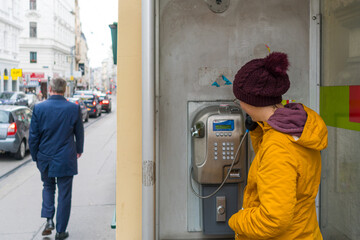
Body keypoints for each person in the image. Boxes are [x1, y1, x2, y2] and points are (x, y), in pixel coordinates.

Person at [229, 52, 328, 240]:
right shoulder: (296, 125)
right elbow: (274, 173)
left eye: (239, 100)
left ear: (252, 101)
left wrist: (236, 220)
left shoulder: (278, 148)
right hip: (304, 232)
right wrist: (259, 131)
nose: (240, 105)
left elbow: (273, 220)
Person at [29, 78, 84, 240]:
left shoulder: (39, 108)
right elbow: (79, 134)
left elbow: (33, 136)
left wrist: (35, 156)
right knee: (64, 194)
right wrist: (79, 150)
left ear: (50, 89)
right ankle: (61, 231)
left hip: (45, 157)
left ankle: (48, 219)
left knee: (48, 187)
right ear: (65, 89)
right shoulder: (73, 108)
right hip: (66, 157)